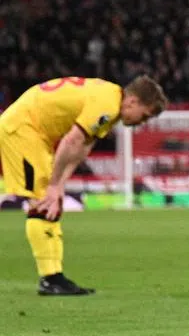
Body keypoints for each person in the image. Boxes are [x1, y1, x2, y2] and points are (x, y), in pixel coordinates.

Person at [0, 75, 166, 295]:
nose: (141, 123)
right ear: (133, 101)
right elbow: (71, 140)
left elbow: (83, 146)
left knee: (51, 201)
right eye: (143, 116)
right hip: (23, 129)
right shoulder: (107, 104)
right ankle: (50, 278)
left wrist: (59, 185)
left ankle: (53, 276)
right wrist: (53, 185)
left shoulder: (110, 101)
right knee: (42, 201)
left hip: (32, 131)